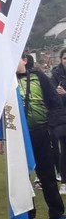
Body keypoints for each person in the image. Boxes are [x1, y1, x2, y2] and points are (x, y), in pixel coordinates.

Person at [0, 55, 66, 219]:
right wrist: (0, 137)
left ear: (24, 60)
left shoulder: (38, 76)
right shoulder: (5, 83)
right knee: (22, 178)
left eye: (16, 59)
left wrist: (51, 125)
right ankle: (27, 217)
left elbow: (54, 101)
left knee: (48, 175)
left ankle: (56, 215)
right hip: (18, 137)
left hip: (42, 133)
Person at [49, 48, 66, 194]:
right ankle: (64, 181)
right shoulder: (55, 75)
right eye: (65, 58)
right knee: (64, 149)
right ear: (61, 60)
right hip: (61, 118)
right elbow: (53, 96)